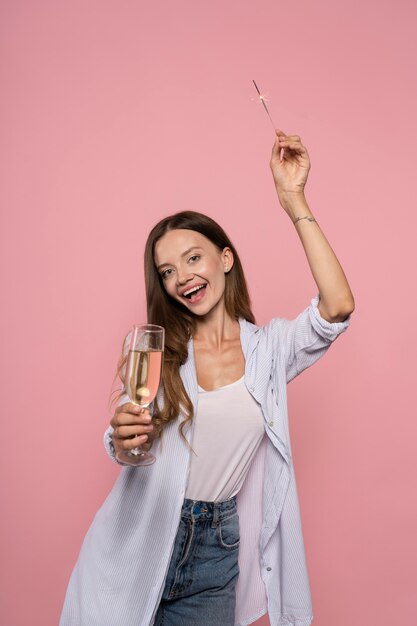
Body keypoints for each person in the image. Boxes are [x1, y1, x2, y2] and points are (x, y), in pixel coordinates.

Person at [60, 130, 354, 626]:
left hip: (214, 551)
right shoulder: (159, 353)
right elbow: (129, 443)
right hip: (140, 536)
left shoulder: (270, 350)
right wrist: (123, 439)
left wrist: (293, 199)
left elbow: (338, 307)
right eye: (167, 271)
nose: (182, 278)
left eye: (193, 258)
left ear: (225, 258)